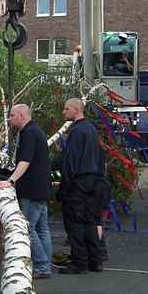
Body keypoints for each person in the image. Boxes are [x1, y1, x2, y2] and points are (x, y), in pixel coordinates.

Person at [0, 104, 53, 278]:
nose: (10, 119)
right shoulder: (36, 131)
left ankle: (42, 266)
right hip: (41, 187)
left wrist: (11, 180)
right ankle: (45, 264)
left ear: (21, 115)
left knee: (28, 228)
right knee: (42, 228)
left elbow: (25, 161)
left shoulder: (28, 133)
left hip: (31, 189)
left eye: (12, 115)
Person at [55, 98, 103, 274]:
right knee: (89, 222)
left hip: (78, 183)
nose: (64, 112)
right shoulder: (90, 129)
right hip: (92, 181)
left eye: (66, 109)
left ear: (76, 109)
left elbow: (70, 162)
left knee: (75, 224)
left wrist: (63, 188)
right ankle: (94, 260)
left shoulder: (77, 131)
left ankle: (79, 262)